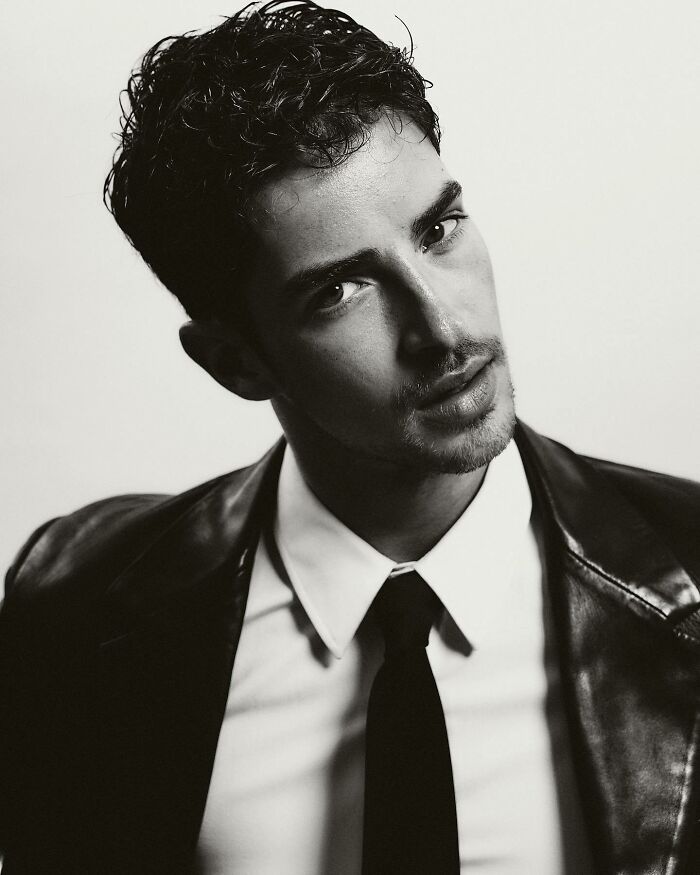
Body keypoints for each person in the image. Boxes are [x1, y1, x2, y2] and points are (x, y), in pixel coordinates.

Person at [1, 1, 699, 872]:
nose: (444, 329)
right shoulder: (75, 611)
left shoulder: (689, 570)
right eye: (340, 291)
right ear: (235, 361)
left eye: (438, 231)